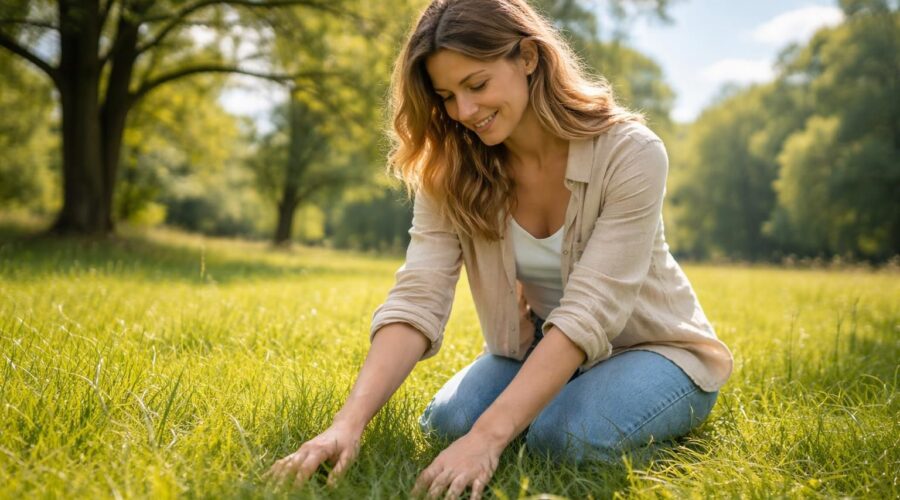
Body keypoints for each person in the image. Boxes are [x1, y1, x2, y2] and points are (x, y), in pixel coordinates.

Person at [266, 0, 733, 497]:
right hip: (540, 348)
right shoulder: (451, 168)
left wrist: (491, 438)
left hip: (653, 349)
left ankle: (621, 421)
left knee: (563, 439)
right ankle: (552, 407)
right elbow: (418, 296)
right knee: (449, 424)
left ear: (528, 57)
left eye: (477, 84)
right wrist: (348, 422)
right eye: (446, 95)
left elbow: (591, 311)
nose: (463, 112)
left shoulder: (631, 152)